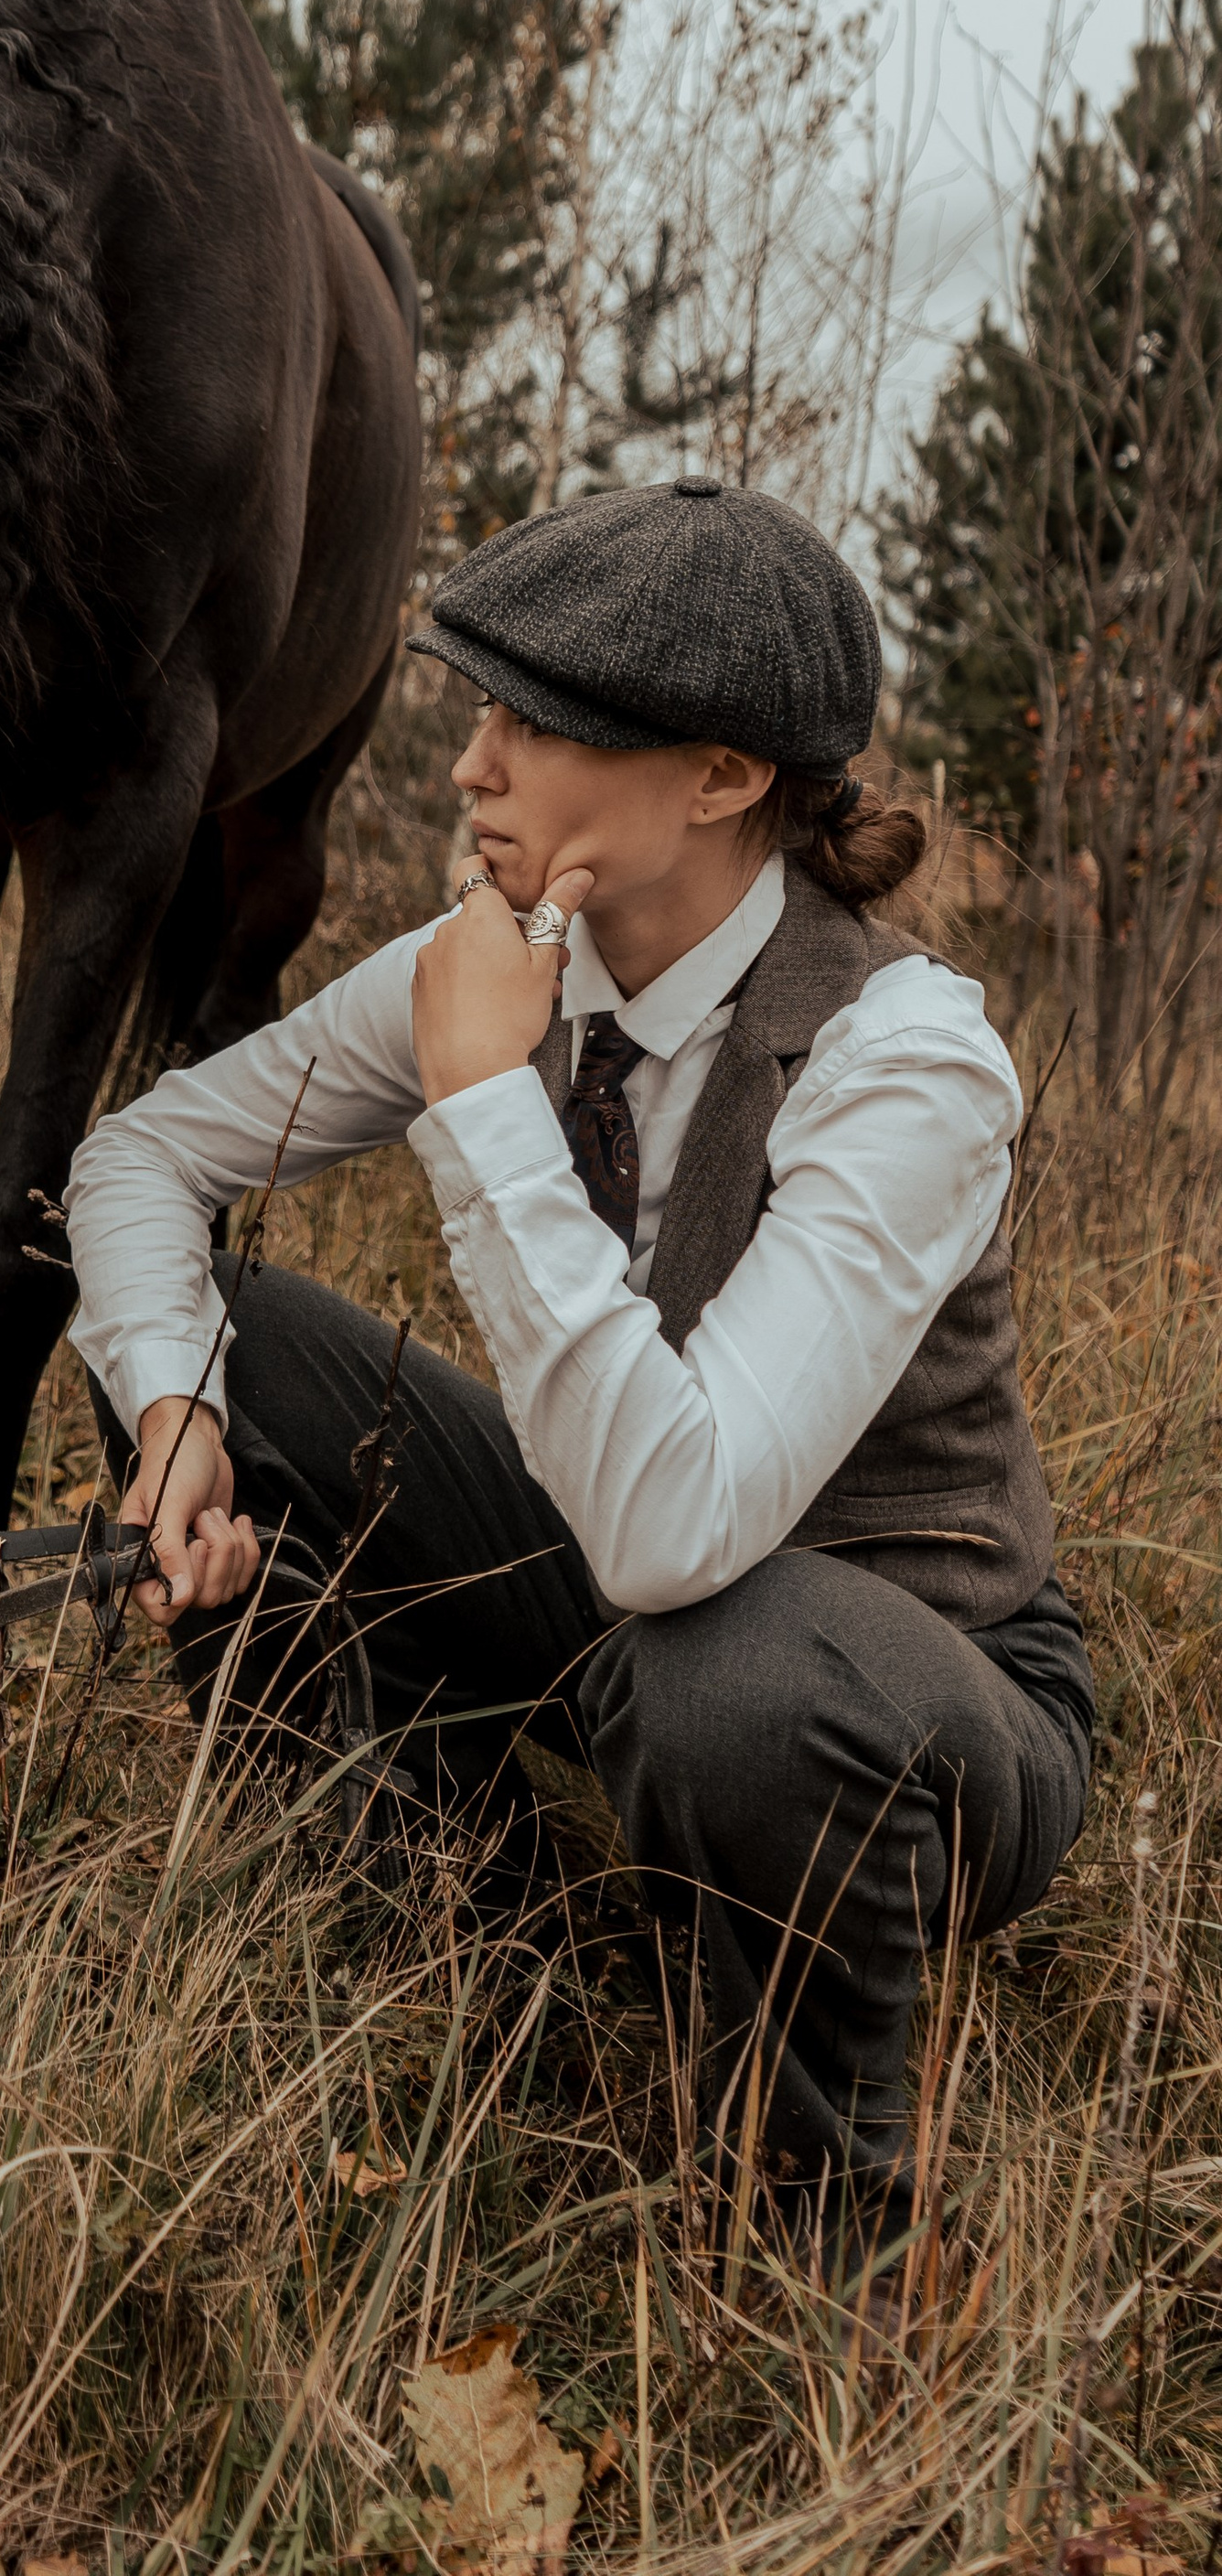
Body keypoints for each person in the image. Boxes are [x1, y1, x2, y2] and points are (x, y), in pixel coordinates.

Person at [63, 475, 1091, 2256]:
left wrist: (482, 1105)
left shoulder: (905, 1062)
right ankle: (469, 1941)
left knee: (730, 1673)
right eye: (480, 709)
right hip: (631, 1590)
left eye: (532, 724)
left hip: (906, 1689)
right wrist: (174, 1422)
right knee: (225, 1341)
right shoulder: (492, 967)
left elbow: (674, 1536)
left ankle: (818, 2210)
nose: (471, 766)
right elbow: (141, 1162)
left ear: (721, 776)